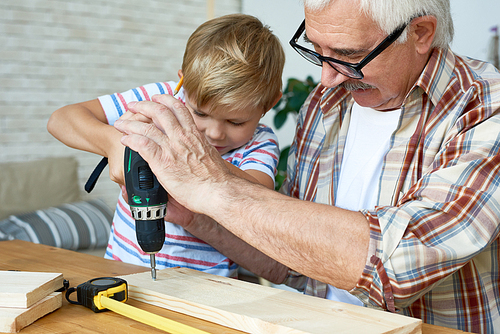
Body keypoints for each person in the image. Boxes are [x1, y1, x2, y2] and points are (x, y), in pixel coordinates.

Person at [111, 0, 500, 332]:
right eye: (316, 49)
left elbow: (399, 265)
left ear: (420, 33)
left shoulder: (484, 107)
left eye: (347, 56)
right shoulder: (324, 106)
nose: (326, 78)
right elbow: (293, 264)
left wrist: (215, 185)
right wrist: (195, 217)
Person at [47, 14, 285, 278]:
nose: (215, 133)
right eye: (201, 114)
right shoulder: (162, 101)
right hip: (121, 269)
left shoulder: (259, 142)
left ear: (269, 103)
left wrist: (195, 163)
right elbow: (62, 120)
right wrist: (114, 143)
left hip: (207, 289)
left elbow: (260, 194)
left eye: (236, 121)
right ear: (183, 83)